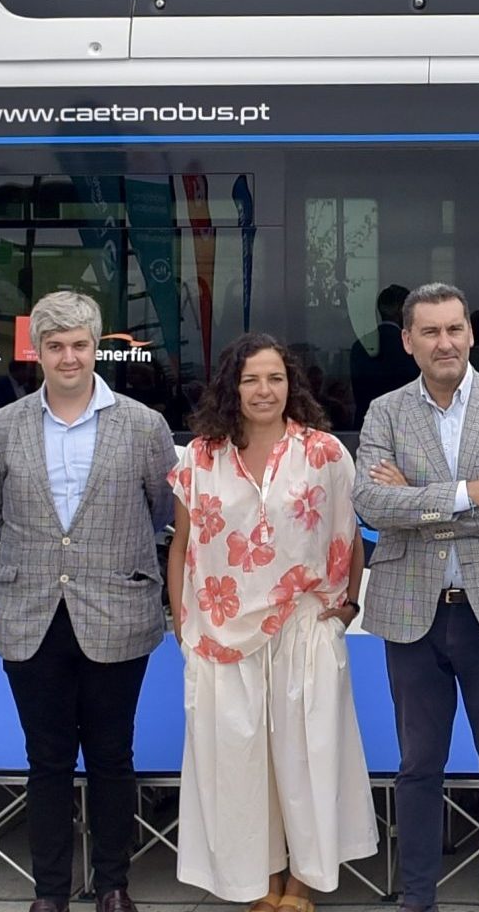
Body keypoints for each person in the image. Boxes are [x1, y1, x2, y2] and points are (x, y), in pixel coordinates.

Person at [0, 291, 175, 912]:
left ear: (97, 345)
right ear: (37, 352)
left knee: (113, 755)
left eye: (79, 345)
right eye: (55, 346)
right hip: (32, 613)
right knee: (47, 759)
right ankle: (50, 893)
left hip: (117, 613)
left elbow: (161, 513)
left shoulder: (143, 425)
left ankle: (113, 885)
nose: (68, 357)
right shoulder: (1, 426)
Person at [168, 333, 377, 912]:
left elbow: (349, 534)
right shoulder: (199, 458)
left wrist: (347, 608)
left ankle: (302, 884)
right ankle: (256, 884)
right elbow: (182, 546)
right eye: (252, 379)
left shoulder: (325, 453)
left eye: (276, 379)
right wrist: (186, 629)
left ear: (292, 386)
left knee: (307, 758)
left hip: (303, 626)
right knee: (236, 764)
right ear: (231, 387)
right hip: (220, 634)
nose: (265, 390)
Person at [354, 284, 479, 912]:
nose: (446, 343)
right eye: (431, 332)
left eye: (456, 329)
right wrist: (469, 491)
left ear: (471, 335)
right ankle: (416, 899)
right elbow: (371, 502)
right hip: (412, 611)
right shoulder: (384, 411)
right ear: (407, 341)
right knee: (417, 768)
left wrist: (421, 497)